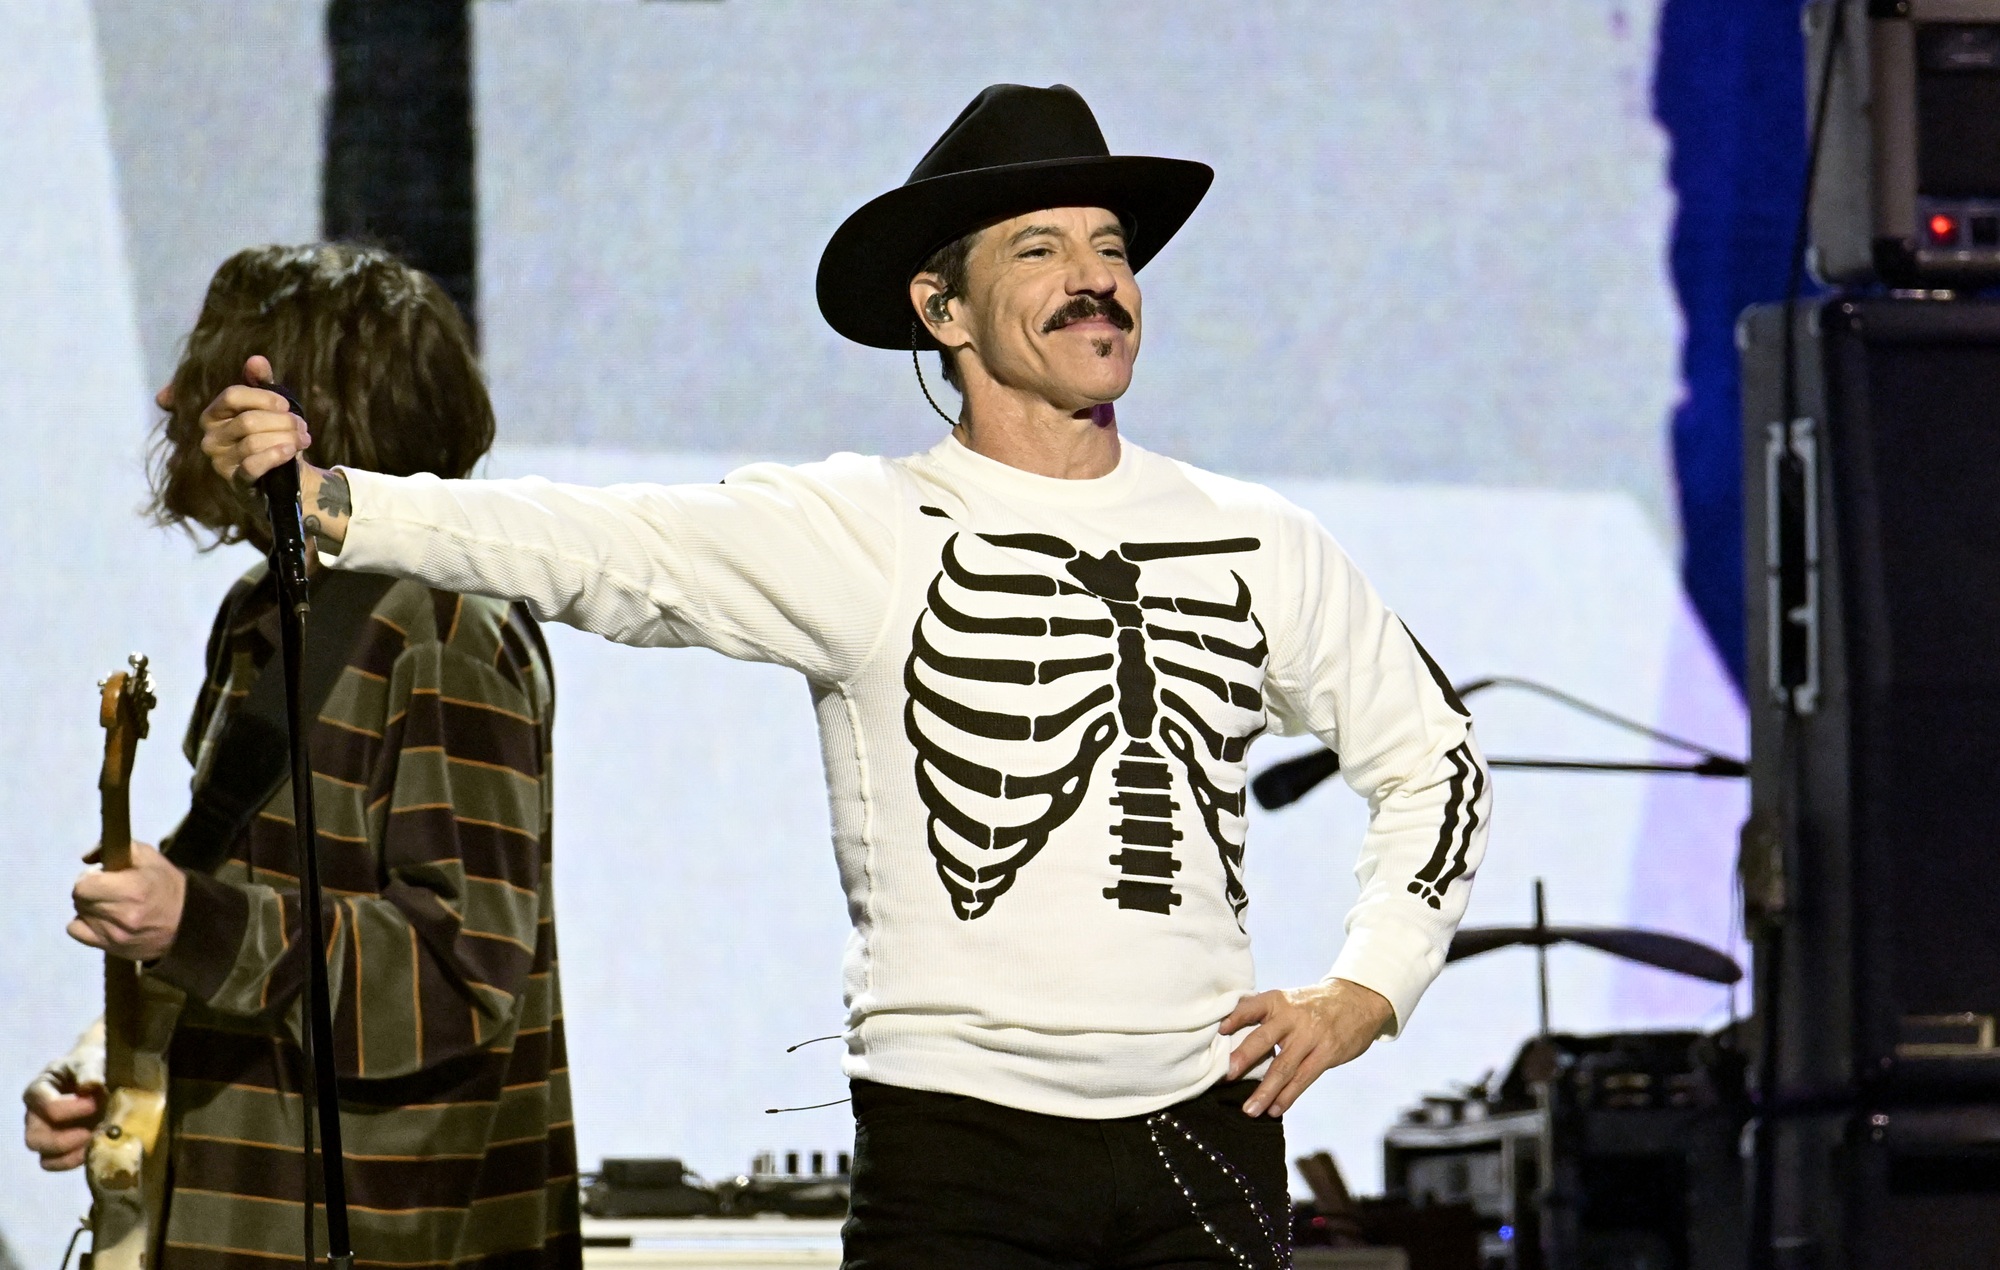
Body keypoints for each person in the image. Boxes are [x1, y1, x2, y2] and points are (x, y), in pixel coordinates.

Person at [201, 86, 1491, 1269]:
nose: (1095, 280)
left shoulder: (1256, 537)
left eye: (1110, 247)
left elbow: (1431, 754)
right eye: (1038, 250)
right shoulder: (866, 526)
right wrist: (335, 502)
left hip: (1203, 1139)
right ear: (942, 310)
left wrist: (1367, 988)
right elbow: (602, 544)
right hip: (958, 1150)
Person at [25, 244, 578, 1270]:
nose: (169, 399)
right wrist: (114, 1061)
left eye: (209, 371)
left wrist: (197, 924)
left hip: (379, 1228)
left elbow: (462, 974)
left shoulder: (446, 624)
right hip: (234, 1214)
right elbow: (237, 891)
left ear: (303, 413)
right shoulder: (263, 611)